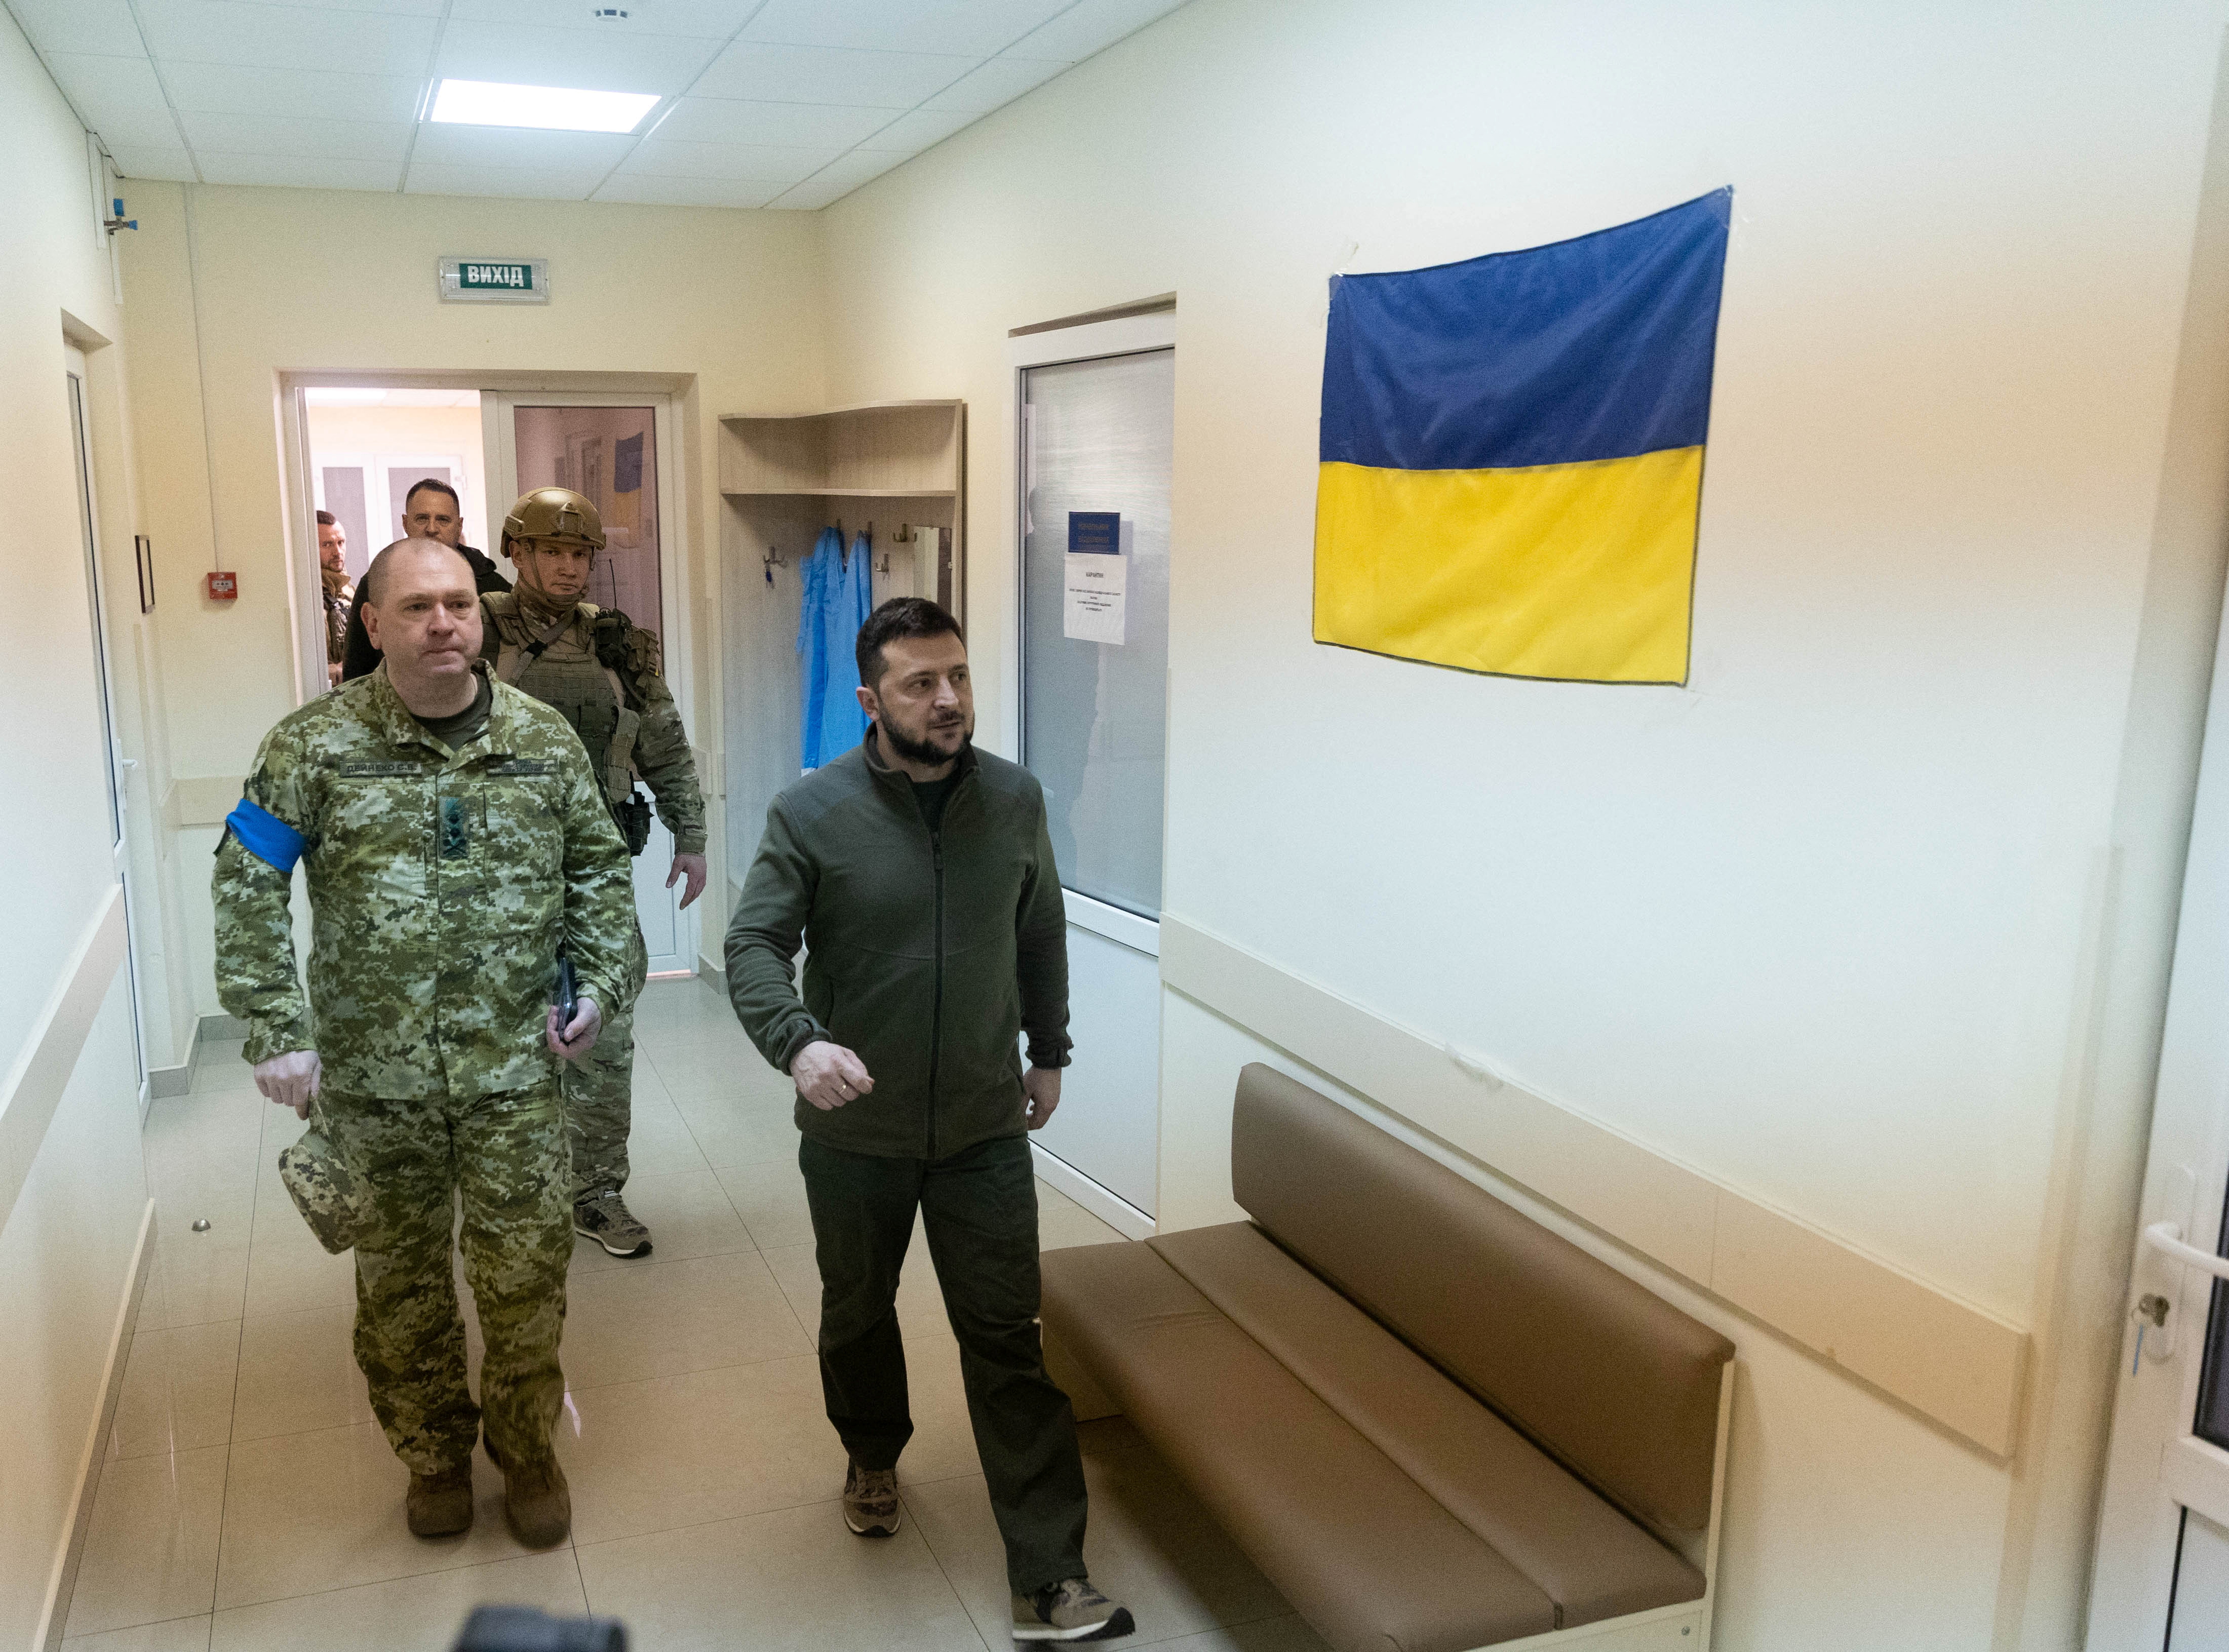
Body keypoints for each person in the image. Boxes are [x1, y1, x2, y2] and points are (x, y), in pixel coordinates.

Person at [211, 536, 637, 1547]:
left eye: (459, 603)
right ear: (374, 624)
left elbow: (598, 871)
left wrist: (606, 982)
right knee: (400, 1288)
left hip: (515, 1071)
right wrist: (276, 1026)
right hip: (372, 1078)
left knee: (527, 1277)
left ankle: (527, 1449)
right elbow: (247, 878)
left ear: (481, 616)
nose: (443, 622)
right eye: (417, 607)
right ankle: (435, 1454)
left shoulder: (542, 739)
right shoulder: (310, 745)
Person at [726, 597, 1133, 1644]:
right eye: (920, 681)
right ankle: (871, 1449)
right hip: (857, 1128)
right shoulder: (811, 811)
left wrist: (1049, 1048)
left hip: (982, 1126)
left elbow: (1037, 927)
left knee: (1007, 1337)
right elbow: (755, 947)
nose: (947, 698)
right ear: (871, 698)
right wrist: (799, 1041)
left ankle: (1050, 1572)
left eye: (956, 675)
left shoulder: (1014, 797)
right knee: (857, 1309)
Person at [484, 485, 707, 1258]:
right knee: (498, 1029)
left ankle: (596, 1190)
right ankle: (499, 1184)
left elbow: (666, 744)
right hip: (491, 874)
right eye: (553, 552)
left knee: (603, 1028)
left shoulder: (618, 644)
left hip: (597, 867)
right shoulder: (473, 628)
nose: (569, 568)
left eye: (581, 555)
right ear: (518, 551)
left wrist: (692, 832)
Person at [341, 478, 508, 681]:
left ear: (459, 525)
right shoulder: (379, 580)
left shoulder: (491, 584)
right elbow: (359, 663)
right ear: (405, 523)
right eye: (422, 518)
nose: (432, 529)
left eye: (443, 520)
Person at [316, 509, 353, 687]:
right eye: (327, 545)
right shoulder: (302, 597)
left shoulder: (351, 592)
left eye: (341, 543)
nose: (337, 551)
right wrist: (328, 670)